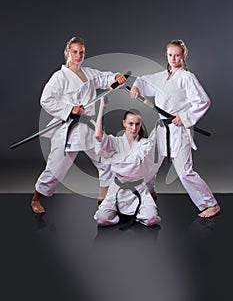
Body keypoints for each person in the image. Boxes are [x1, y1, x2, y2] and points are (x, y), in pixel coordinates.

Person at [31, 36, 126, 214]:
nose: (78, 55)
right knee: (56, 168)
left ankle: (103, 199)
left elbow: (104, 78)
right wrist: (70, 108)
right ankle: (36, 198)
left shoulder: (88, 73)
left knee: (105, 161)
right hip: (69, 128)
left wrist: (116, 77)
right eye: (74, 52)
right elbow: (46, 100)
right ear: (67, 52)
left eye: (81, 52)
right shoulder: (59, 77)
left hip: (89, 127)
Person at [130, 39, 220, 218]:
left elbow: (203, 101)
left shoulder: (187, 77)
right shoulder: (164, 76)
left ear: (183, 56)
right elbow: (143, 81)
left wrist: (184, 116)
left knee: (185, 171)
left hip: (178, 130)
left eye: (177, 55)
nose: (173, 58)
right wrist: (135, 86)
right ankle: (148, 193)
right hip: (162, 129)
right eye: (170, 55)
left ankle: (210, 204)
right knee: (149, 161)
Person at [93, 97, 161, 227]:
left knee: (152, 219)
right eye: (130, 124)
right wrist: (102, 107)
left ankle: (133, 214)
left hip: (139, 188)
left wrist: (114, 160)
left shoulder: (145, 144)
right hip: (117, 187)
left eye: (137, 124)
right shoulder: (116, 142)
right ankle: (122, 214)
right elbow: (98, 136)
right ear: (124, 123)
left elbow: (136, 163)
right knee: (102, 219)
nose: (134, 128)